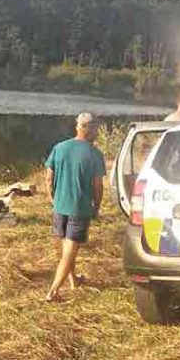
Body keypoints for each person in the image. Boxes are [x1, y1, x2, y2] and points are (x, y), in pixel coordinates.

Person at [43, 113, 106, 302]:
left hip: (60, 207)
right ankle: (53, 292)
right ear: (89, 128)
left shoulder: (59, 148)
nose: (97, 133)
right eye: (96, 129)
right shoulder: (94, 154)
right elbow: (98, 186)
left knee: (65, 250)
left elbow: (48, 178)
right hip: (79, 209)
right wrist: (96, 206)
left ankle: (73, 280)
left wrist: (53, 199)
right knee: (69, 253)